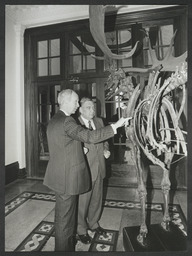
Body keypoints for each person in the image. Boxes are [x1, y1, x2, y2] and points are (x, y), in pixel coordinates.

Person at [43, 89, 131, 251]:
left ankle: (66, 247)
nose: (77, 105)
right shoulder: (68, 121)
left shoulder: (55, 119)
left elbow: (62, 145)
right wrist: (116, 126)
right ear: (66, 101)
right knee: (65, 223)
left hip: (59, 176)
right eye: (76, 102)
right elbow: (89, 137)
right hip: (67, 178)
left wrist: (78, 150)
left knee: (64, 219)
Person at [77, 97, 111, 244]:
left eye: (93, 107)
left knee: (97, 199)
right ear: (80, 109)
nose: (92, 111)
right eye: (88, 108)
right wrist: (79, 151)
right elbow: (71, 145)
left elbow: (104, 139)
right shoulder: (74, 124)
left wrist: (105, 149)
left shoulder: (99, 122)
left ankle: (94, 224)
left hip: (99, 166)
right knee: (82, 202)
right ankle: (81, 230)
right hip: (85, 169)